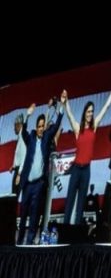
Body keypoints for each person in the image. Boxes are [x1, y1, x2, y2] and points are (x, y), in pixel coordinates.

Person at [62, 73, 111, 225]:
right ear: (84, 112)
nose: (90, 114)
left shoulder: (94, 126)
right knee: (70, 200)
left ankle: (76, 232)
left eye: (91, 111)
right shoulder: (78, 128)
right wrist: (65, 102)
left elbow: (107, 106)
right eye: (88, 111)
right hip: (76, 169)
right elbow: (69, 115)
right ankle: (64, 230)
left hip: (86, 170)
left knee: (81, 203)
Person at [17, 97, 65, 244]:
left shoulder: (46, 137)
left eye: (42, 126)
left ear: (44, 127)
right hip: (27, 184)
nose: (40, 129)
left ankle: (30, 245)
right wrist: (27, 115)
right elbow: (23, 132)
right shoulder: (30, 136)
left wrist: (61, 107)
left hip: (38, 184)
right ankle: (18, 245)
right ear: (36, 126)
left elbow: (56, 126)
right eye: (38, 126)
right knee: (23, 214)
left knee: (33, 216)